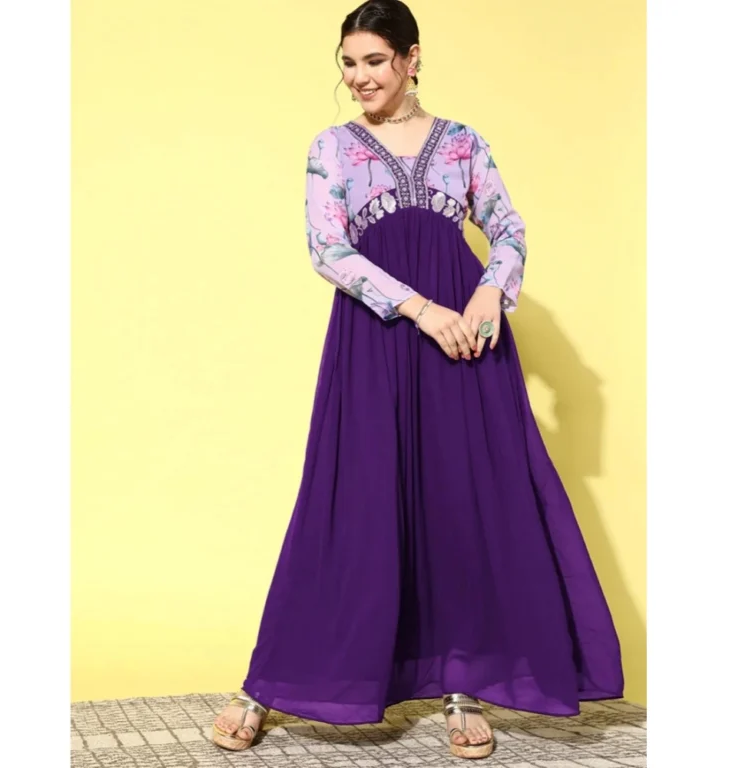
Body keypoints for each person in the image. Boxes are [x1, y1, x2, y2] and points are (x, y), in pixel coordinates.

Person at [212, 0, 624, 760]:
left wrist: (487, 293)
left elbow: (508, 228)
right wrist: (421, 308)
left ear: (411, 58)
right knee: (351, 504)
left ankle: (460, 683)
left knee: (460, 506)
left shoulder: (463, 142)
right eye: (349, 63)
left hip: (465, 344)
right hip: (378, 339)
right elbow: (327, 248)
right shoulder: (333, 147)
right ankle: (268, 683)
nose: (359, 77)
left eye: (375, 60)